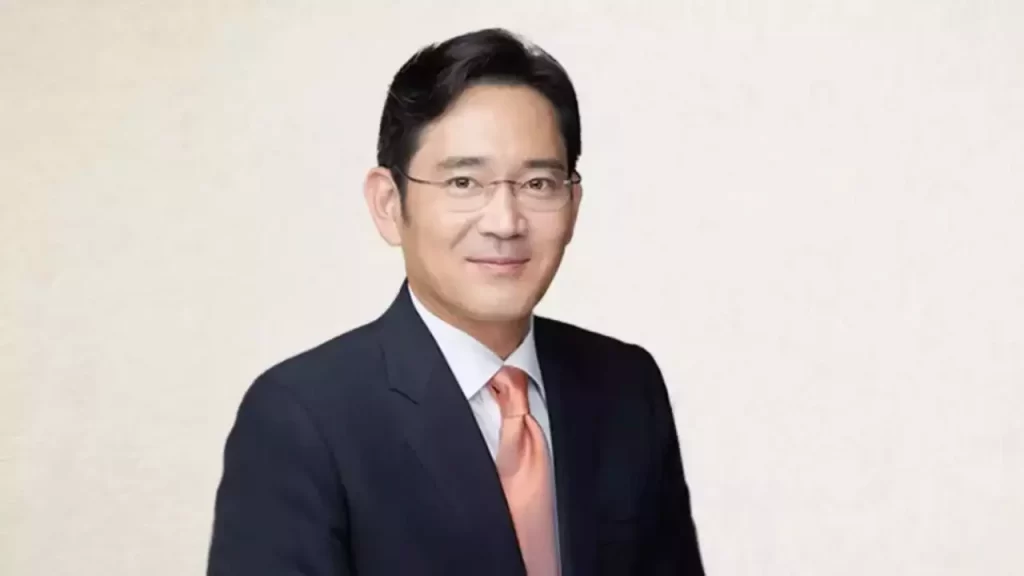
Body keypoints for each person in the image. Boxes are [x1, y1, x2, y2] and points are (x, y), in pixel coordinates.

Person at [207, 27, 704, 576]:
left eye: (538, 183)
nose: (505, 222)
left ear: (573, 203)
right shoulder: (300, 418)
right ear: (388, 203)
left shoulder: (627, 386)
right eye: (464, 182)